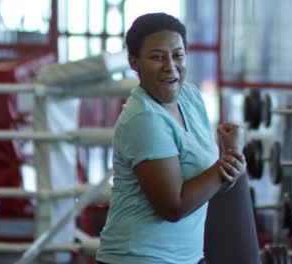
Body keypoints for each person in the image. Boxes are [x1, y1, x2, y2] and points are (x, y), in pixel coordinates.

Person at [95, 12, 246, 264]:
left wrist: (231, 160)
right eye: (157, 57)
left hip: (187, 258)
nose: (170, 65)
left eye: (178, 54)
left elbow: (210, 185)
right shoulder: (144, 118)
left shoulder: (191, 98)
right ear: (134, 62)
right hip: (139, 258)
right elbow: (173, 207)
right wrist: (227, 163)